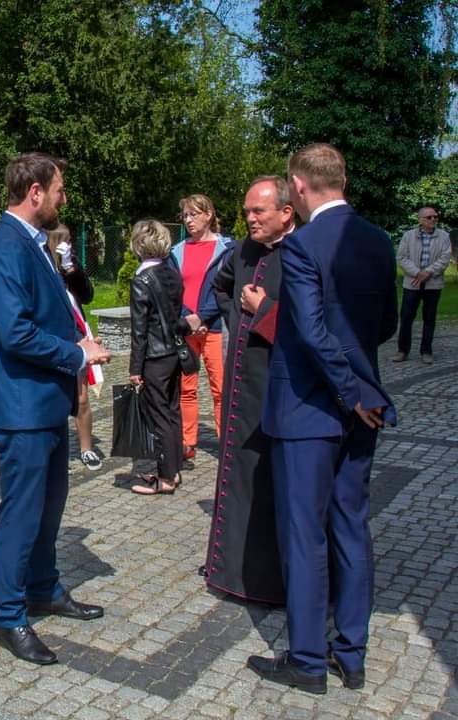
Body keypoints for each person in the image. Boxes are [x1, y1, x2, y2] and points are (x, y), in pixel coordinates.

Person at [249, 143, 398, 694]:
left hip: (308, 408)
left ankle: (308, 661)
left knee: (305, 535)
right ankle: (351, 654)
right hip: (363, 408)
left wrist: (346, 390)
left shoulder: (303, 244)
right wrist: (360, 387)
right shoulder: (379, 241)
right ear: (343, 179)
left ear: (299, 186)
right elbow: (386, 324)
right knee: (351, 527)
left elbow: (310, 330)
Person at [0, 153, 110, 665]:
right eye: (59, 189)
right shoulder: (7, 247)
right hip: (21, 406)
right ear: (35, 192)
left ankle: (43, 588)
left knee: (50, 505)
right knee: (22, 512)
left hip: (45, 401)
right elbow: (14, 332)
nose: (63, 198)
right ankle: (9, 616)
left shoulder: (34, 243)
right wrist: (75, 354)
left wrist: (76, 344)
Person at [202, 176, 295, 605]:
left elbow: (313, 327)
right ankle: (232, 573)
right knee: (237, 478)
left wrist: (264, 312)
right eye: (246, 212)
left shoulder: (303, 253)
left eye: (258, 211)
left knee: (275, 485)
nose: (250, 219)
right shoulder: (241, 251)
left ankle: (272, 580)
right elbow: (219, 286)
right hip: (242, 386)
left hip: (282, 385)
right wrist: (236, 318)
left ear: (286, 213)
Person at [169, 194, 234, 462]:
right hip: (186, 330)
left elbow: (226, 288)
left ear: (208, 215)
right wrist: (189, 319)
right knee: (187, 389)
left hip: (215, 328)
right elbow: (172, 289)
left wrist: (203, 317)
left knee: (221, 389)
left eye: (194, 214)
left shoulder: (227, 249)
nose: (188, 220)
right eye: (185, 215)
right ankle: (188, 442)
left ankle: (227, 443)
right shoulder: (176, 251)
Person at [127, 220, 188, 495]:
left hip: (154, 355)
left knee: (159, 415)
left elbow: (139, 330)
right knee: (172, 411)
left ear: (138, 245)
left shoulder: (141, 280)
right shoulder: (172, 273)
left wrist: (135, 368)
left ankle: (165, 478)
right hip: (174, 351)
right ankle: (174, 469)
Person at [47, 224, 102, 471]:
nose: (69, 245)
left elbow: (87, 295)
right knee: (54, 395)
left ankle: (86, 448)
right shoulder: (43, 265)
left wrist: (71, 269)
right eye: (65, 241)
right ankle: (53, 451)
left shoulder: (71, 265)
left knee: (81, 398)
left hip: (76, 335)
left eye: (70, 241)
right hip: (53, 338)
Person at [393, 206, 450, 365]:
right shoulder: (408, 235)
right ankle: (402, 350)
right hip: (412, 283)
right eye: (429, 217)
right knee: (406, 317)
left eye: (435, 216)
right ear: (420, 219)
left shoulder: (444, 236)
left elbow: (445, 258)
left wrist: (428, 272)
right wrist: (418, 273)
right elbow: (402, 258)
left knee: (429, 318)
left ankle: (426, 351)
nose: (433, 219)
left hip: (433, 284)